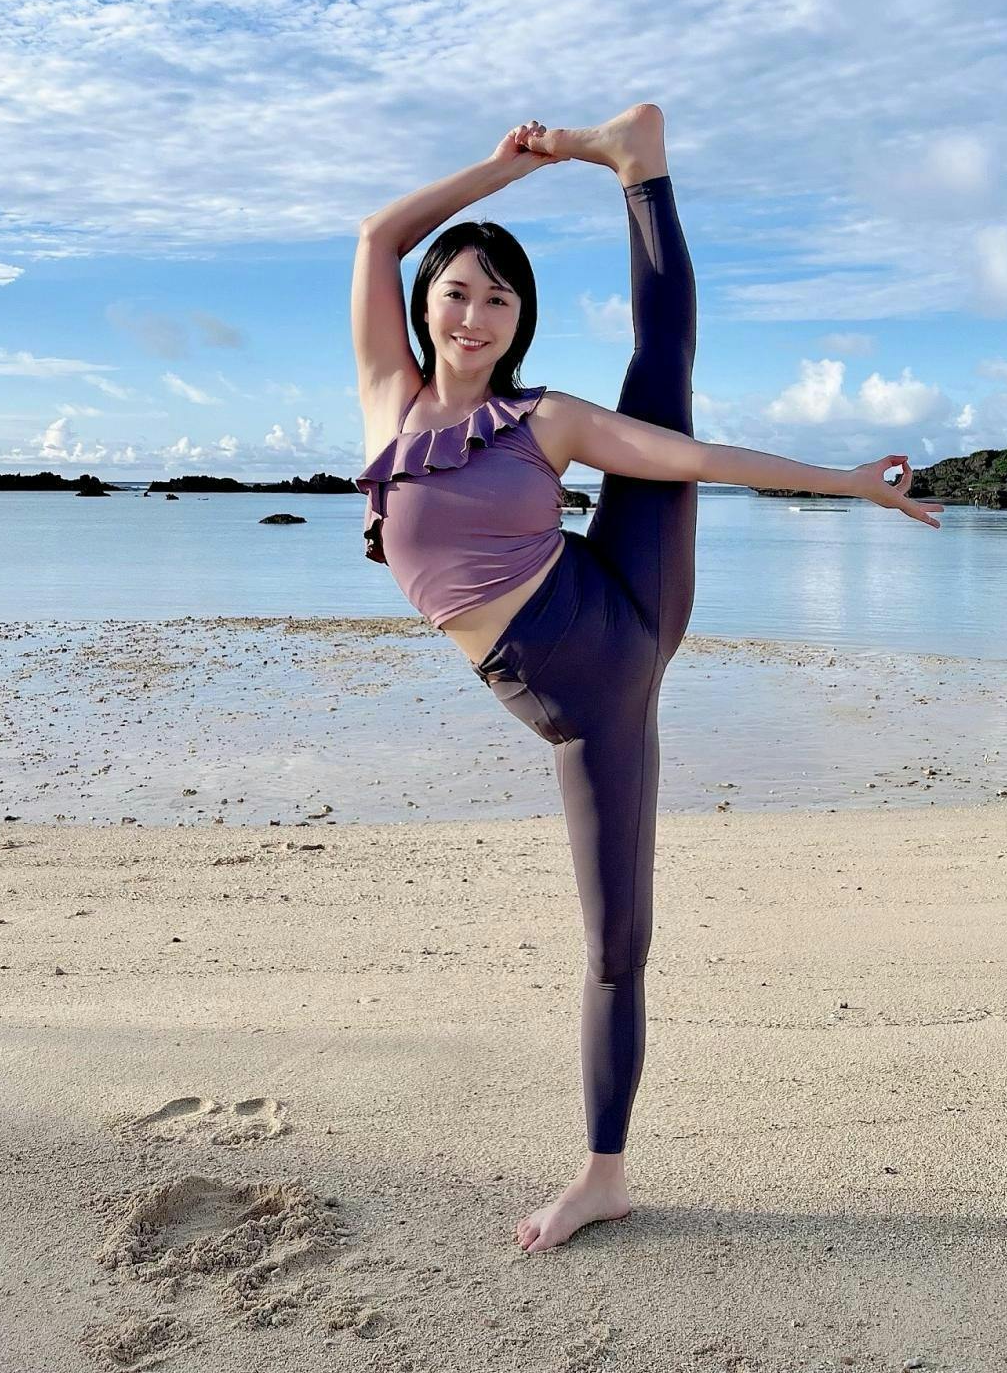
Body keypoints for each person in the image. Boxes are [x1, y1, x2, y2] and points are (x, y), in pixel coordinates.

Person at [351, 102, 943, 1253]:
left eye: (500, 300)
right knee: (615, 939)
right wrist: (511, 168)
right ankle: (631, 157)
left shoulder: (545, 422)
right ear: (426, 304)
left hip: (617, 657)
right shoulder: (390, 398)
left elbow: (696, 458)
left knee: (617, 945)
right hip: (555, 683)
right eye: (459, 292)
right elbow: (378, 235)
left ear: (520, 322)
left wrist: (850, 485)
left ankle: (601, 1176)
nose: (474, 314)